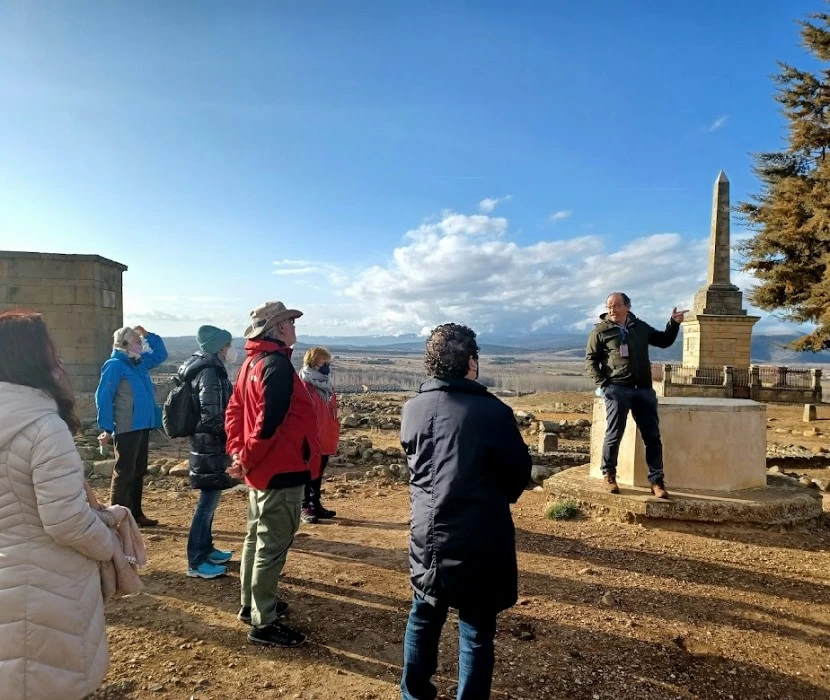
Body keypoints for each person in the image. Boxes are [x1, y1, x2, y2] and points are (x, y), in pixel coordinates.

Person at [399, 323, 531, 700]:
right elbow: (517, 474)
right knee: (475, 631)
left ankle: (414, 694)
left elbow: (417, 465)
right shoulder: (493, 412)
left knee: (423, 616)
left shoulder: (412, 409)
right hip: (481, 536)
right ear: (471, 362)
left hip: (427, 534)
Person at [0, 311, 116, 700]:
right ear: (34, 356)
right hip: (46, 585)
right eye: (51, 347)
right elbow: (66, 521)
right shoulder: (44, 428)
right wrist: (108, 544)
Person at [225, 300, 319, 648]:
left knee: (256, 538)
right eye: (291, 322)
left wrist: (238, 452)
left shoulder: (251, 362)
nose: (295, 327)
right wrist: (245, 457)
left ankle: (252, 605)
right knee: (271, 546)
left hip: (264, 468)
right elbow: (268, 424)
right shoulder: (276, 365)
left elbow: (235, 410)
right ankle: (263, 622)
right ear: (278, 328)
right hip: (280, 468)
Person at [585, 292, 687, 499]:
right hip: (617, 389)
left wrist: (674, 324)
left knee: (652, 437)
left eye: (616, 305)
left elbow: (664, 340)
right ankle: (609, 475)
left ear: (627, 306)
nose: (612, 310)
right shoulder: (600, 331)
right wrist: (605, 385)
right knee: (614, 434)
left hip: (643, 390)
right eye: (609, 306)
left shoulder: (640, 327)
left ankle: (657, 481)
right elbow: (590, 360)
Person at [179, 325, 238, 579]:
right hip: (209, 445)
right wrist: (234, 432)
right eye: (227, 345)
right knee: (207, 502)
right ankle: (196, 560)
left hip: (207, 445)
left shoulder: (208, 370)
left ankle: (206, 549)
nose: (230, 350)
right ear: (219, 347)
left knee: (210, 499)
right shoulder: (210, 374)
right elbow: (213, 416)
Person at [95, 325, 168, 526]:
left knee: (138, 469)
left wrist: (148, 335)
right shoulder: (115, 365)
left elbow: (161, 354)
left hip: (143, 423)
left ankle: (135, 514)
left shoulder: (138, 363)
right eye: (137, 341)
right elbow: (103, 396)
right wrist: (107, 428)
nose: (140, 344)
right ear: (124, 344)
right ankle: (117, 517)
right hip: (127, 425)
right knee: (125, 471)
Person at [299, 346, 339, 524]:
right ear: (314, 363)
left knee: (318, 472)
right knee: (307, 473)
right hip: (310, 438)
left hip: (324, 436)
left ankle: (315, 504)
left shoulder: (325, 385)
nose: (327, 366)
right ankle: (304, 507)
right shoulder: (304, 385)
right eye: (324, 363)